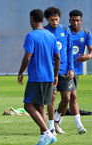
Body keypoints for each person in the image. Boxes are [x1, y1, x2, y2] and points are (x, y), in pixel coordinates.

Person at [18, 9, 60, 145]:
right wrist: (55, 75)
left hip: (36, 77)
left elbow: (27, 57)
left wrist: (20, 72)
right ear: (43, 19)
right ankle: (43, 139)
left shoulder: (31, 36)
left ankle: (49, 133)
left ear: (31, 19)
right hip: (48, 76)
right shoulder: (50, 35)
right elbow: (58, 57)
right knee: (40, 106)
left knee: (28, 106)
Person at [58, 10, 92, 134]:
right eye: (73, 20)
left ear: (81, 21)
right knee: (71, 97)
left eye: (77, 20)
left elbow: (91, 50)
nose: (75, 23)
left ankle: (57, 121)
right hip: (64, 69)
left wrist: (88, 56)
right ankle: (79, 126)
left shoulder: (86, 33)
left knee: (68, 98)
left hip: (75, 70)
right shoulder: (65, 32)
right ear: (69, 21)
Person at [44, 7, 74, 135]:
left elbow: (70, 50)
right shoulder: (44, 31)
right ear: (47, 20)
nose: (55, 22)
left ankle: (56, 120)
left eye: (56, 19)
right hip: (50, 70)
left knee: (67, 98)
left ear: (59, 18)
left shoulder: (66, 30)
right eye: (52, 20)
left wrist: (71, 68)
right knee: (52, 98)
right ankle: (51, 127)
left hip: (64, 69)